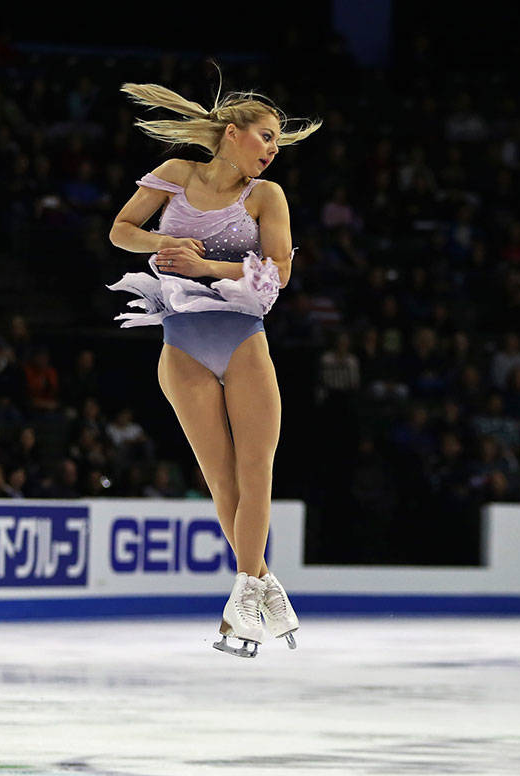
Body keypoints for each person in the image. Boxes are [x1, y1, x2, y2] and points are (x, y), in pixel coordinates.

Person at [108, 79, 320, 658]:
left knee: (257, 474)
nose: (273, 149)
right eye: (266, 137)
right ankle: (261, 588)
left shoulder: (266, 195)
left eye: (278, 142)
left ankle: (244, 597)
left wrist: (207, 266)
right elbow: (119, 230)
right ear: (233, 133)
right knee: (222, 482)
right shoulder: (176, 172)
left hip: (242, 340)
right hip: (183, 345)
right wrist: (162, 243)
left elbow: (279, 273)